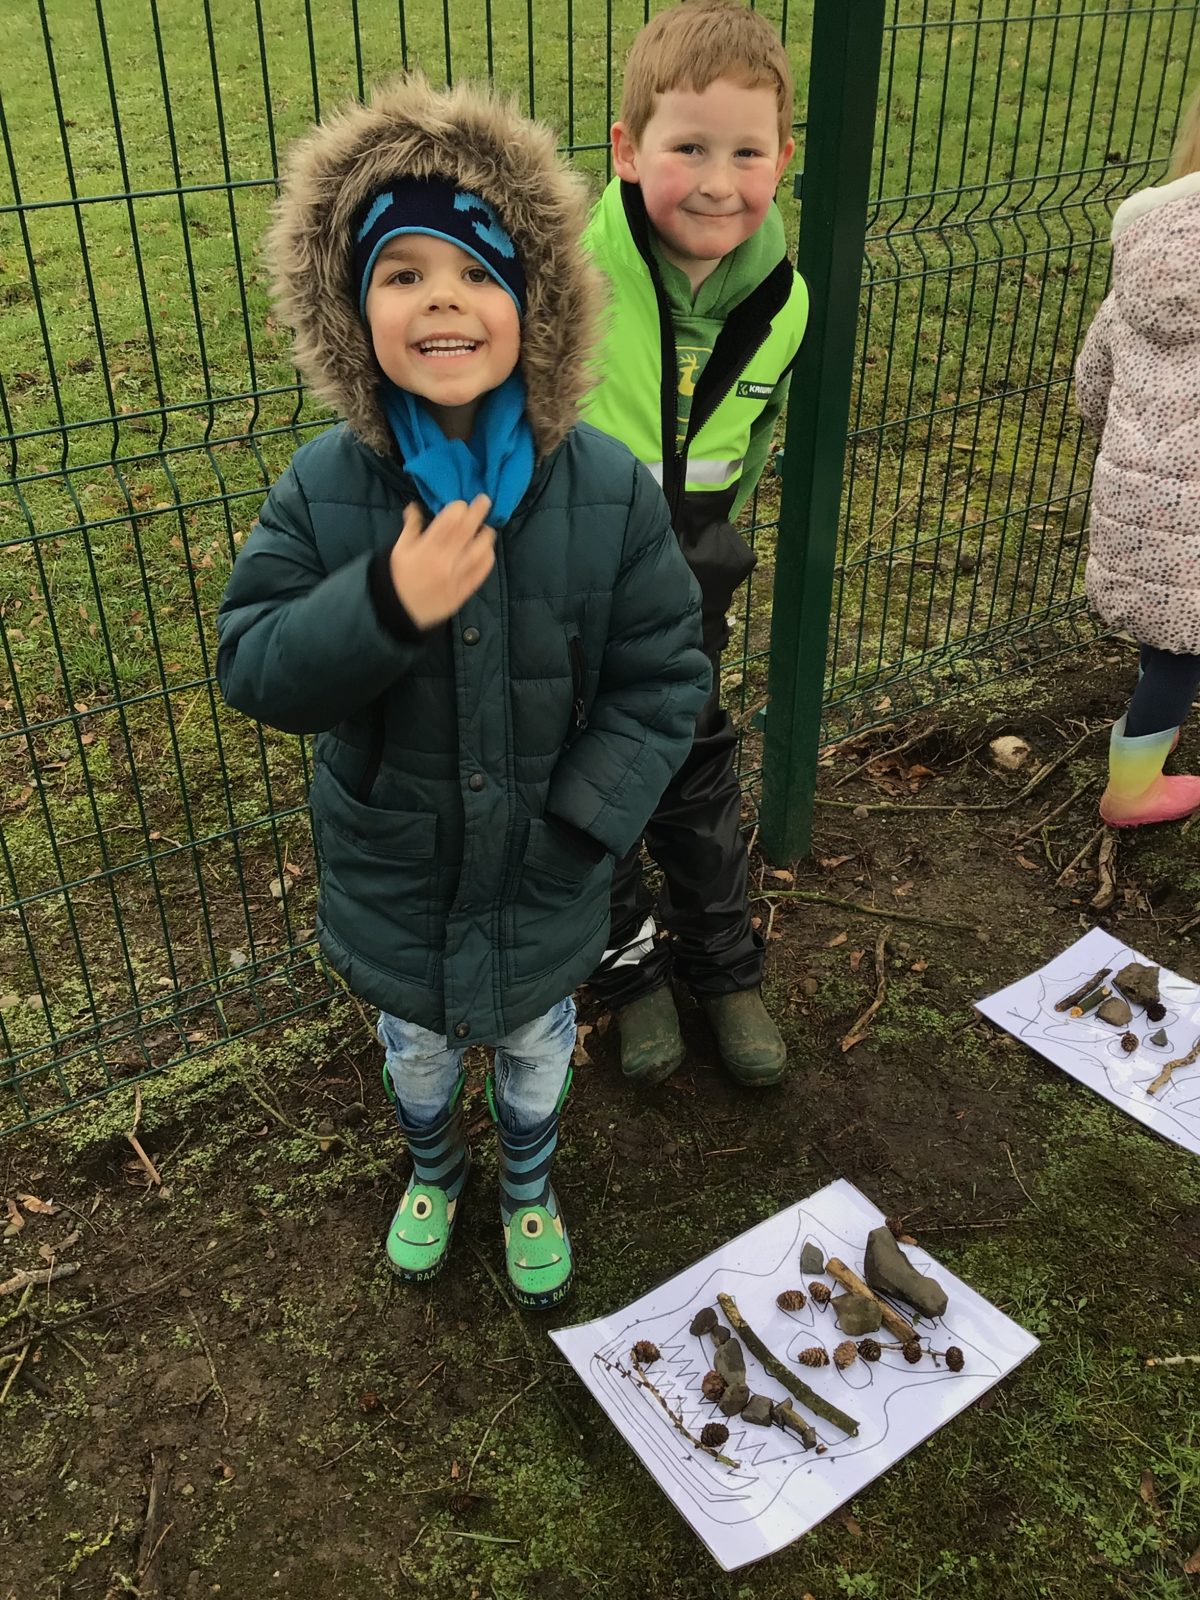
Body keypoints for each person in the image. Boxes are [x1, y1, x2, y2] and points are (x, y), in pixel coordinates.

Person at [216, 77, 710, 1309]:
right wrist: (385, 602)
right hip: (400, 868)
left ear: (536, 305)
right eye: (402, 274)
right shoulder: (326, 489)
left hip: (547, 867)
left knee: (537, 1045)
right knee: (421, 1048)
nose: (441, 298)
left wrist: (586, 822)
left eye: (478, 272)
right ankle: (434, 1165)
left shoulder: (609, 491)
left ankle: (528, 1179)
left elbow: (663, 675)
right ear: (352, 313)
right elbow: (254, 659)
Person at [580, 0, 809, 1087]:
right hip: (574, 581)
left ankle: (724, 967)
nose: (720, 183)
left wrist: (705, 544)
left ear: (783, 158)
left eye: (747, 153)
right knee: (588, 779)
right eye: (688, 150)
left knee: (691, 762)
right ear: (628, 150)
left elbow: (755, 441)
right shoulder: (563, 278)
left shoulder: (786, 301)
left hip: (687, 583)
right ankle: (628, 977)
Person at [1076, 84, 1200, 827]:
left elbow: (1092, 384)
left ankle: (1150, 733)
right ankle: (1132, 790)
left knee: (1169, 628)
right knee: (1186, 650)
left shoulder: (1142, 258)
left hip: (1131, 500)